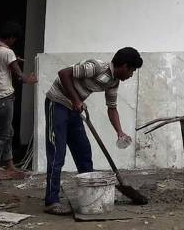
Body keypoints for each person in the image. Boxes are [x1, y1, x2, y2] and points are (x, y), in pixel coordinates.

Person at [43, 47, 144, 215]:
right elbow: (63, 73)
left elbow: (112, 108)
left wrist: (119, 132)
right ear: (124, 66)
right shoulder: (96, 67)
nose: (131, 75)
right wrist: (76, 100)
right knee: (57, 154)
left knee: (83, 152)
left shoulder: (113, 82)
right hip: (57, 103)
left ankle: (91, 195)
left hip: (74, 109)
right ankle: (51, 201)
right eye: (132, 70)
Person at [0, 21, 37, 181]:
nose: (14, 42)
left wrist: (13, 59)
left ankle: (10, 166)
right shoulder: (8, 53)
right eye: (14, 39)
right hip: (3, 98)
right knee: (3, 135)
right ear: (11, 38)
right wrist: (31, 79)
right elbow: (21, 77)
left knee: (8, 132)